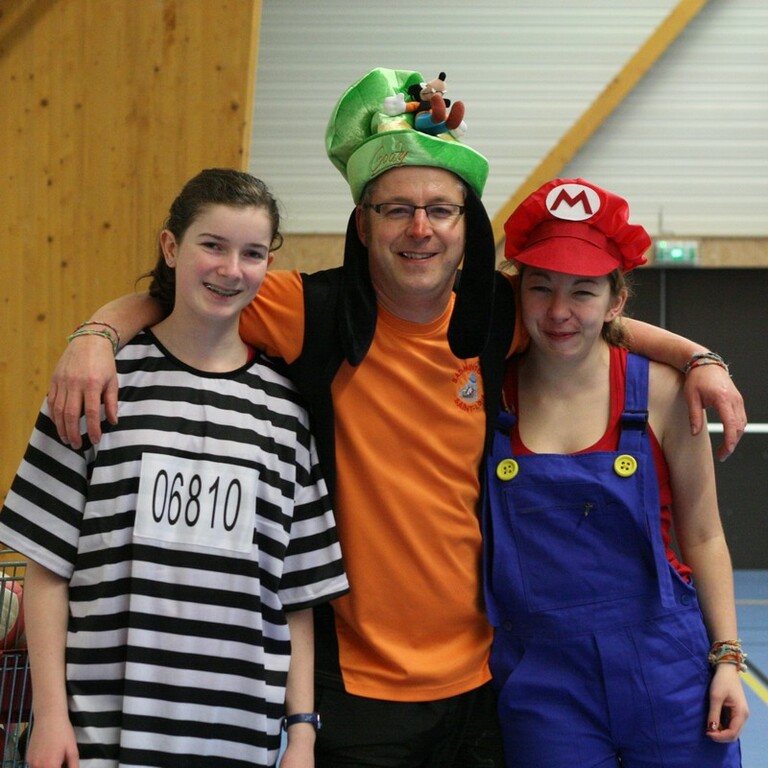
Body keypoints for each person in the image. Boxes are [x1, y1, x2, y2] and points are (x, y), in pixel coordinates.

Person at [42, 70, 746, 767]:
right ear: (362, 223)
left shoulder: (495, 316)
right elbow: (185, 296)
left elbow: (588, 319)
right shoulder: (308, 310)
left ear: (466, 226)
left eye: (441, 210)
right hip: (357, 692)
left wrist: (699, 357)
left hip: (483, 682)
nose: (420, 229)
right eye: (396, 209)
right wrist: (96, 336)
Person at [0, 169, 349, 768]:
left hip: (243, 739)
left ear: (268, 264)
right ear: (171, 247)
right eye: (212, 245)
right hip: (104, 734)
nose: (230, 269)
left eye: (252, 253)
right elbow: (48, 564)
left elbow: (296, 596)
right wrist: (52, 717)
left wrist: (302, 734)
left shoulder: (286, 412)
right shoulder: (94, 384)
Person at [484, 178, 748, 768]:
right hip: (541, 683)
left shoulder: (664, 393)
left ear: (615, 301)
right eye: (540, 287)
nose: (559, 311)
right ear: (517, 291)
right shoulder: (485, 393)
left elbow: (704, 534)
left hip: (668, 667)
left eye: (583, 291)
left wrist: (728, 657)